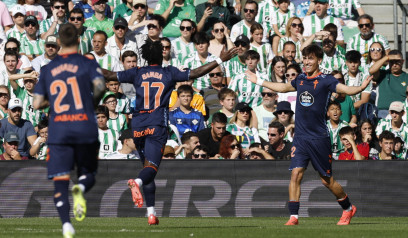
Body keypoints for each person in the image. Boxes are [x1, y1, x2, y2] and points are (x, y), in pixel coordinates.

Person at [101, 39, 237, 225]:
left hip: (138, 125)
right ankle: (137, 183)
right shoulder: (168, 72)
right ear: (161, 54)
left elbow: (109, 75)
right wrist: (220, 60)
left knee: (147, 167)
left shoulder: (137, 72)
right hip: (157, 124)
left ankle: (151, 214)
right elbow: (196, 72)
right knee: (152, 168)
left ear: (146, 57)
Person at [245, 44, 373, 225]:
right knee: (296, 174)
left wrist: (360, 88)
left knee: (326, 181)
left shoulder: (326, 80)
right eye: (304, 58)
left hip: (319, 137)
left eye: (310, 58)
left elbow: (344, 89)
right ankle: (294, 217)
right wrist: (259, 81)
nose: (306, 62)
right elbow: (282, 88)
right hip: (301, 137)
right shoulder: (301, 78)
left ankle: (348, 207)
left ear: (319, 60)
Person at [33, 23, 106, 238]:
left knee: (60, 177)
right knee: (88, 173)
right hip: (84, 125)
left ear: (59, 43)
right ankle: (81, 188)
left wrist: (53, 101)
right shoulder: (87, 62)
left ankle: (66, 225)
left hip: (60, 129)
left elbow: (37, 103)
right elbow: (101, 85)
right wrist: (90, 102)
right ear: (78, 39)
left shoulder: (47, 69)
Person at [369, 50, 408, 119]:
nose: (394, 64)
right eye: (392, 61)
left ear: (402, 62)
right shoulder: (382, 74)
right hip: (383, 111)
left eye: (397, 61)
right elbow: (371, 70)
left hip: (401, 112)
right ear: (388, 62)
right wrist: (387, 57)